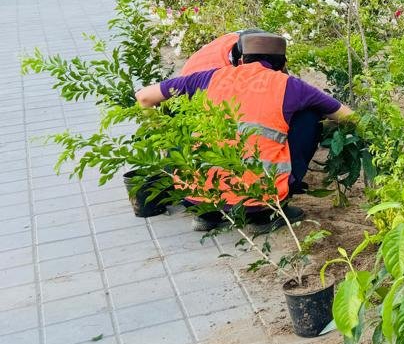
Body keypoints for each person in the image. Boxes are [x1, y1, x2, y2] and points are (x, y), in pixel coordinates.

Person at [135, 33, 355, 231]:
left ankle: (208, 215)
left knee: (180, 116)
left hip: (197, 196)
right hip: (259, 200)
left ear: (240, 60)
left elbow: (144, 97)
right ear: (283, 64)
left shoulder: (207, 77)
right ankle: (267, 215)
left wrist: (164, 140)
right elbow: (347, 116)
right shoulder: (291, 85)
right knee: (309, 117)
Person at [179, 29, 265, 76]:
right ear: (240, 62)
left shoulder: (241, 36)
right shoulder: (222, 74)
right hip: (189, 82)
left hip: (195, 61)